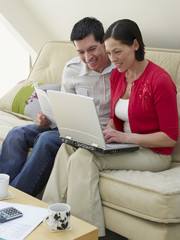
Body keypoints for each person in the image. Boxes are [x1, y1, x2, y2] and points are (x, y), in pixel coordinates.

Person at [42, 19, 179, 237]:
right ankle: (47, 215)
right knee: (67, 147)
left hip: (153, 153)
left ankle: (83, 231)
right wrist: (105, 132)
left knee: (84, 157)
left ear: (135, 45)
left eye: (118, 52)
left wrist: (125, 138)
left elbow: (170, 138)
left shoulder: (159, 80)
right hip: (123, 144)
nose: (113, 59)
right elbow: (116, 117)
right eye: (109, 52)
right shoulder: (118, 74)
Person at [0, 17, 114, 197]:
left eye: (92, 49)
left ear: (104, 42)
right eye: (81, 52)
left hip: (97, 134)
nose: (87, 57)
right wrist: (46, 118)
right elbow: (64, 107)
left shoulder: (120, 69)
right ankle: (2, 192)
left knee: (45, 140)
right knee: (16, 134)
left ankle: (17, 200)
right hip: (68, 127)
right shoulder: (72, 68)